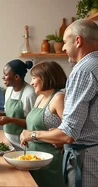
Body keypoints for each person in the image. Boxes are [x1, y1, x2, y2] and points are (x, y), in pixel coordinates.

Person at [20, 19, 98, 187]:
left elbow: (68, 133)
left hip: (86, 160)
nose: (63, 48)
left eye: (64, 42)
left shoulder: (83, 71)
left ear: (78, 41)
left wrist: (33, 134)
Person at [22, 61, 67, 187]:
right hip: (33, 158)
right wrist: (25, 135)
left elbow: (70, 130)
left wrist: (62, 141)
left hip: (51, 161)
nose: (31, 82)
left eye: (34, 78)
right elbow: (32, 127)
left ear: (46, 77)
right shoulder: (40, 98)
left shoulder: (59, 98)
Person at [0, 59, 36, 150]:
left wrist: (10, 120)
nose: (3, 77)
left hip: (23, 143)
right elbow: (8, 113)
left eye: (6, 75)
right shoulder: (9, 90)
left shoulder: (29, 93)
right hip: (8, 139)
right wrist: (0, 114)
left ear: (16, 77)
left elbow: (33, 123)